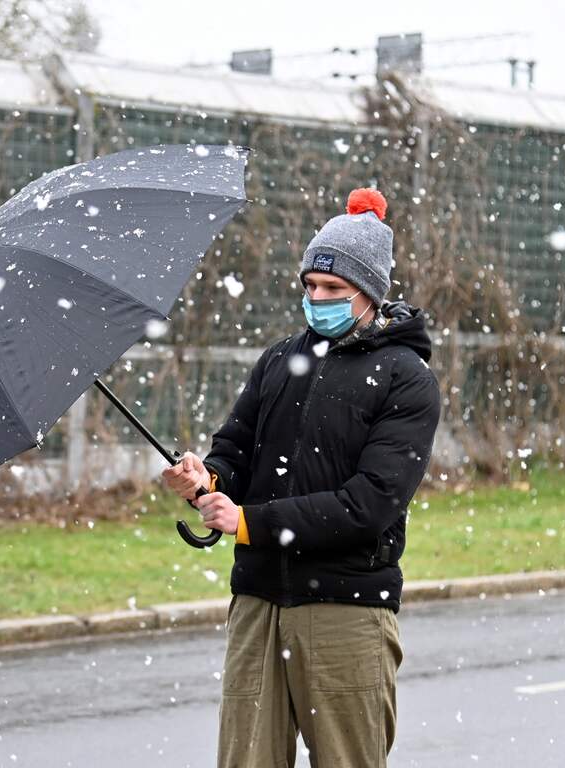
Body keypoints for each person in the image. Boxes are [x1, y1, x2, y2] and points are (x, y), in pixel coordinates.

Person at [162, 188, 442, 767]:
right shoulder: (279, 359)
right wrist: (207, 480)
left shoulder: (405, 378)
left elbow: (369, 504)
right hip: (258, 603)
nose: (318, 298)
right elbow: (235, 449)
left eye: (334, 289)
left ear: (369, 293)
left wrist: (249, 523)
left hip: (346, 610)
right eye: (310, 286)